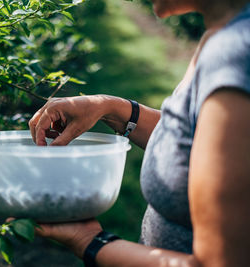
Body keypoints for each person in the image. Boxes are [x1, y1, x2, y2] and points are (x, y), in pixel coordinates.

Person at [27, 0, 250, 266]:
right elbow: (197, 145)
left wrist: (90, 242)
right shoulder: (223, 36)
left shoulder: (236, 56)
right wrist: (112, 108)